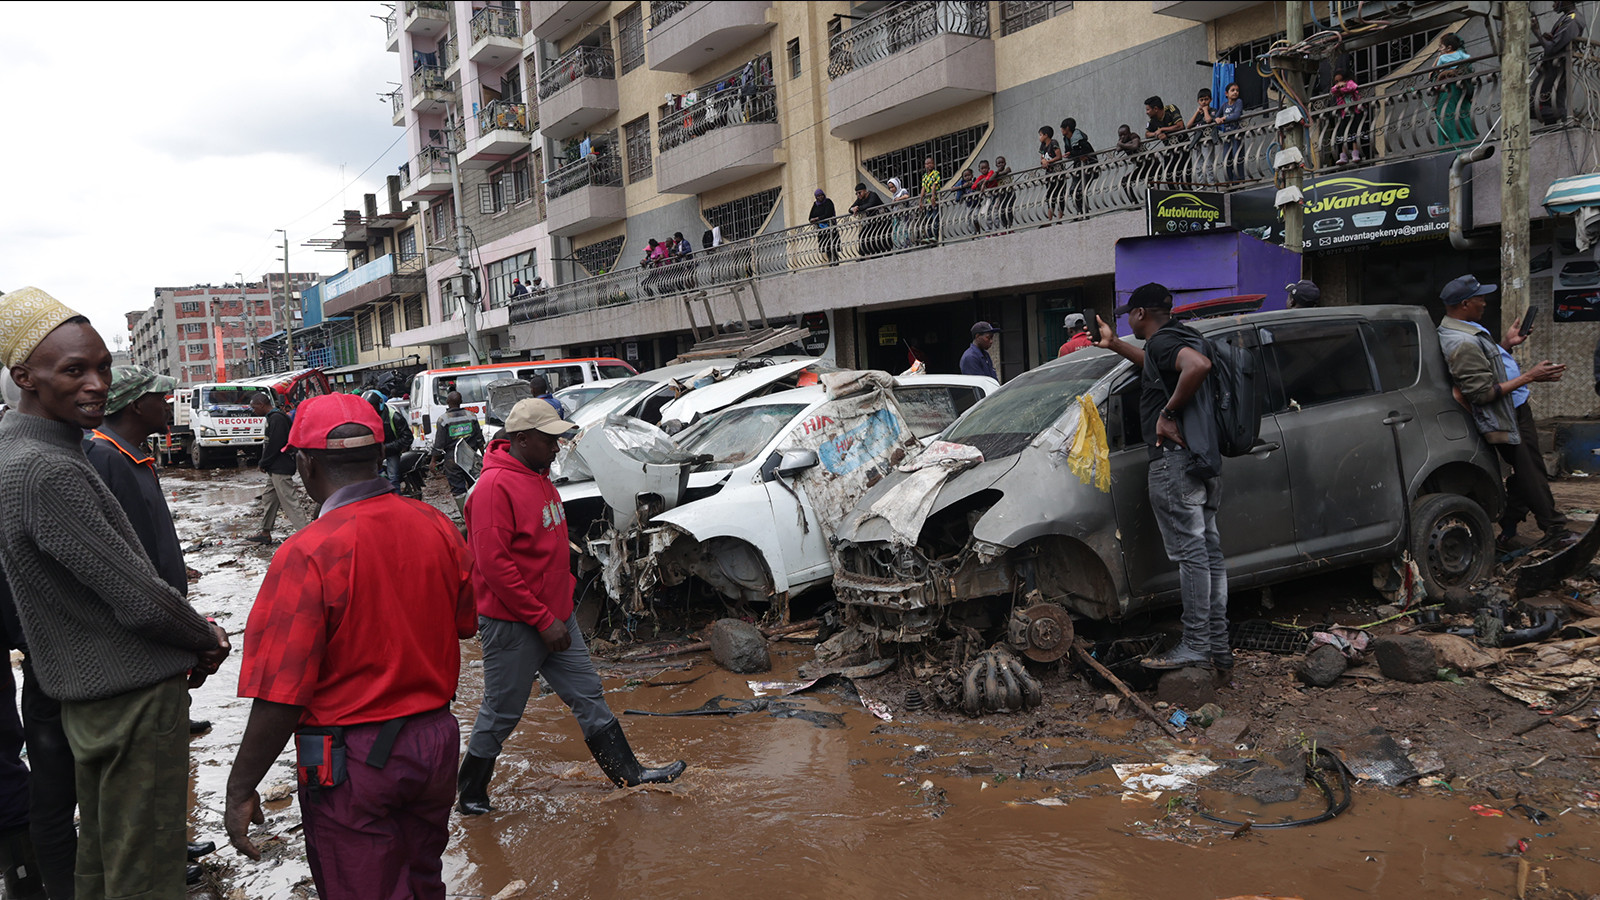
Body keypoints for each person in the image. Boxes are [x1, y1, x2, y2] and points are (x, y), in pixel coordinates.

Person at [0, 287, 230, 900]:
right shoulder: (49, 469)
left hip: (90, 699)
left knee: (103, 868)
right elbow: (134, 595)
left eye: (102, 367)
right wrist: (205, 638)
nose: (98, 383)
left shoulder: (25, 451)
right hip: (129, 703)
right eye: (73, 370)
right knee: (145, 877)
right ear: (26, 377)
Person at [225, 393, 476, 899]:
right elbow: (464, 624)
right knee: (424, 879)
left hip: (352, 759)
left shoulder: (307, 553)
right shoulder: (438, 527)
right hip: (434, 743)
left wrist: (240, 786)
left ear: (304, 463)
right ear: (378, 452)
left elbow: (280, 692)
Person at [456, 399, 686, 815]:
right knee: (502, 710)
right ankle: (470, 794)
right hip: (515, 623)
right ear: (521, 439)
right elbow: (494, 567)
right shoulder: (493, 489)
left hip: (554, 615)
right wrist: (542, 619)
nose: (558, 447)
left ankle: (629, 774)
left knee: (587, 693)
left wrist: (563, 593)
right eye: (550, 440)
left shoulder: (537, 474)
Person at [1095, 283, 1229, 671]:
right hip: (1202, 457)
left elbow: (1196, 367)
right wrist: (1116, 345)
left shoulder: (1164, 343)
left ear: (1140, 314)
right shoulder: (1183, 336)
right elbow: (1162, 365)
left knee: (1191, 556)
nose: (1129, 322)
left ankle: (1196, 644)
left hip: (1175, 463)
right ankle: (1216, 646)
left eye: (1129, 316)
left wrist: (1167, 414)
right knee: (1208, 554)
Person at [87, 366, 218, 744]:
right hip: (143, 613)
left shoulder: (133, 455)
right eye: (159, 398)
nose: (166, 404)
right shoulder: (104, 457)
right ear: (134, 406)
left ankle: (177, 710)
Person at [1435, 276, 1570, 548]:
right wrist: (1530, 377)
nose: (1485, 302)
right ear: (1465, 304)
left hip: (1515, 408)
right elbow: (1481, 393)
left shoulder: (1467, 328)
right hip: (1506, 415)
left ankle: (1509, 528)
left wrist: (1507, 344)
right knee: (1531, 472)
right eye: (1480, 298)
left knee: (1525, 472)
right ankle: (1555, 530)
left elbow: (1486, 365)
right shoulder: (1460, 341)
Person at [246, 390, 309, 544]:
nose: (254, 411)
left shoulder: (277, 419)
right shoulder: (274, 417)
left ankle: (307, 535)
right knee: (269, 498)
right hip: (274, 468)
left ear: (262, 405)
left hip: (280, 466)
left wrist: (263, 462)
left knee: (290, 501)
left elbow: (275, 444)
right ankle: (265, 532)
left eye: (255, 408)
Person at [432, 390, 484, 520]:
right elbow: (479, 439)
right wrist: (484, 456)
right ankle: (479, 515)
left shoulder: (443, 419)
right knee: (475, 485)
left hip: (452, 459)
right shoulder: (471, 416)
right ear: (460, 402)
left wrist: (433, 461)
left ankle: (467, 518)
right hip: (470, 456)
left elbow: (439, 444)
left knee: (458, 489)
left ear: (448, 402)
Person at [1534, 2, 1583, 125]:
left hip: (1556, 69)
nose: (1553, 5)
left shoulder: (1572, 20)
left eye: (1556, 1)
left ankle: (1568, 115)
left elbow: (1552, 49)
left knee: (1532, 105)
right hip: (1555, 68)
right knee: (1549, 103)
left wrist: (1537, 33)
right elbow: (1557, 42)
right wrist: (1550, 38)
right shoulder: (1566, 17)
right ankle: (1554, 126)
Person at [1431, 33, 1478, 145]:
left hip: (1457, 91)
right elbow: (1431, 74)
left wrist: (1445, 73)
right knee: (1445, 119)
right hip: (1445, 92)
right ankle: (1449, 145)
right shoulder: (1443, 57)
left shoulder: (1461, 57)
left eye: (1441, 46)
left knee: (1458, 117)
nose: (1439, 49)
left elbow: (1465, 71)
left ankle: (1464, 143)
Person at [364, 390, 409, 492]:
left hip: (391, 452)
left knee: (393, 479)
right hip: (374, 453)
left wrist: (387, 447)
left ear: (379, 404)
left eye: (372, 406)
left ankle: (397, 502)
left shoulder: (394, 416)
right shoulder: (366, 418)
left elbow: (407, 438)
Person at [1144, 95, 1187, 182]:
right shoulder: (1153, 119)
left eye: (1148, 109)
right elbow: (1147, 134)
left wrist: (1163, 130)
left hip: (1183, 147)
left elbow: (1180, 126)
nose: (1146, 112)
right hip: (1169, 150)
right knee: (1169, 177)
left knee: (1185, 176)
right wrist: (1156, 134)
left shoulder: (1171, 109)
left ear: (1155, 109)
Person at [1330, 70, 1364, 164]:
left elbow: (1352, 88)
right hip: (1345, 114)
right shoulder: (1337, 87)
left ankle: (1355, 154)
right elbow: (1332, 91)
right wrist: (1337, 86)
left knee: (1354, 133)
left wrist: (1342, 87)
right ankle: (1343, 156)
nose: (1339, 83)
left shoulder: (1350, 83)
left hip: (1355, 112)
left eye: (1340, 80)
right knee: (1343, 135)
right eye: (1336, 81)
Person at [1062, 118, 1094, 214]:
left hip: (1088, 166)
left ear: (1067, 128)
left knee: (1080, 190)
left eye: (1062, 128)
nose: (1061, 130)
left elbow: (1086, 150)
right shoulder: (1066, 139)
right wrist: (1071, 154)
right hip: (1078, 166)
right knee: (1073, 190)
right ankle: (1079, 212)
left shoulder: (1078, 137)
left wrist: (1076, 154)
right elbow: (1071, 152)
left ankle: (1085, 213)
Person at [1185, 89, 1219, 181]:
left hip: (1207, 141)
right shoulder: (1198, 114)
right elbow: (1188, 126)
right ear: (1198, 101)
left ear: (1210, 100)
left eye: (1206, 99)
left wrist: (1205, 110)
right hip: (1197, 142)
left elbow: (1208, 120)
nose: (1204, 102)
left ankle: (1212, 183)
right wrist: (1197, 112)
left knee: (1208, 164)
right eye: (1201, 100)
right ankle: (1202, 185)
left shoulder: (1213, 111)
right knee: (1199, 166)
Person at [849, 182, 888, 257]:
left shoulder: (873, 195)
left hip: (882, 221)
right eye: (856, 194)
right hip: (872, 222)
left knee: (879, 238)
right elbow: (850, 209)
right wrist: (853, 209)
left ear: (865, 191)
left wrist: (858, 208)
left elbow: (870, 204)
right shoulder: (860, 199)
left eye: (859, 193)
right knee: (863, 235)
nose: (858, 195)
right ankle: (864, 255)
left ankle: (879, 254)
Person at [1217, 82, 1245, 181]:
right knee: (1226, 159)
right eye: (1232, 90)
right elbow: (1216, 116)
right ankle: (1228, 182)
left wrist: (1224, 118)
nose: (1235, 92)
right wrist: (1217, 119)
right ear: (1226, 93)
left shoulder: (1239, 102)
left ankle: (1238, 181)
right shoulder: (1224, 105)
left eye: (1237, 90)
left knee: (1237, 158)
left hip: (1237, 134)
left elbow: (1236, 115)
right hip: (1227, 136)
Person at [1038, 125, 1066, 222]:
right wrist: (1043, 162)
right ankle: (1050, 219)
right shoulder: (1042, 145)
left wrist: (1048, 162)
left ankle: (1059, 219)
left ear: (1046, 135)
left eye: (1040, 135)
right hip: (1049, 174)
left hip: (1058, 173)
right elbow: (1042, 157)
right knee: (1050, 196)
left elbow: (1059, 156)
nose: (1039, 137)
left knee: (1059, 194)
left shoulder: (1053, 143)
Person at [809, 188, 840, 265]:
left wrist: (817, 218)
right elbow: (810, 217)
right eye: (818, 196)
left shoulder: (828, 202)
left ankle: (835, 262)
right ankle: (830, 261)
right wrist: (812, 219)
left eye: (821, 195)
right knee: (826, 247)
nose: (820, 197)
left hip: (830, 228)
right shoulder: (815, 205)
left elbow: (828, 214)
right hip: (822, 230)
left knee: (832, 245)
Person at [1116, 124, 1145, 204]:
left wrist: (1122, 145)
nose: (1122, 137)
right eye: (1120, 135)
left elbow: (1135, 145)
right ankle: (1134, 203)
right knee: (1125, 181)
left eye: (1124, 134)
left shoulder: (1133, 135)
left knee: (1152, 183)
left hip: (1151, 164)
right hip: (1142, 167)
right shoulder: (1123, 141)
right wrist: (1122, 143)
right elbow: (1118, 149)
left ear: (1129, 133)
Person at [918, 156, 942, 245]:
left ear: (934, 164)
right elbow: (923, 188)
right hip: (928, 202)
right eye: (927, 164)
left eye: (930, 163)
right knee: (928, 219)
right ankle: (929, 236)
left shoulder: (936, 173)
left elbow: (934, 185)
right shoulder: (925, 176)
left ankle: (935, 236)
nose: (928, 165)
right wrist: (920, 200)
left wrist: (933, 196)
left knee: (935, 218)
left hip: (935, 200)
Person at [968, 160, 995, 233]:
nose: (984, 169)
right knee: (988, 214)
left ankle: (996, 230)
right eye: (982, 168)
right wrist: (981, 181)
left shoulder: (991, 172)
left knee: (995, 213)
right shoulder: (980, 177)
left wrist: (984, 183)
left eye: (985, 168)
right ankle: (988, 231)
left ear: (989, 168)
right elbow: (973, 187)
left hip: (994, 195)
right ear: (979, 170)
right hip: (987, 197)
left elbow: (990, 176)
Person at [990, 157, 1016, 231]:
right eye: (999, 163)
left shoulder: (1007, 168)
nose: (1001, 164)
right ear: (996, 165)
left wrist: (997, 174)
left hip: (1010, 192)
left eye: (1002, 162)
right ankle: (1005, 227)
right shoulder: (996, 173)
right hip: (1001, 194)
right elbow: (990, 179)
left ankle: (1010, 227)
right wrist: (996, 173)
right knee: (1002, 210)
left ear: (1005, 163)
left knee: (1009, 209)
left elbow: (1006, 172)